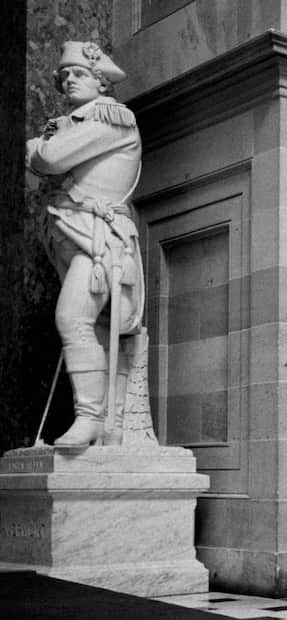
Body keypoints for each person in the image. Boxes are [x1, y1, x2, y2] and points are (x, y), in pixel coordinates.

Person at [26, 41, 144, 447]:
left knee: (72, 318)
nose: (69, 81)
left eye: (79, 73)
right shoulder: (73, 123)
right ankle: (104, 421)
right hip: (76, 234)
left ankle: (91, 418)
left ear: (102, 82)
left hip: (101, 241)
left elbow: (51, 159)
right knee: (88, 326)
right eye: (63, 76)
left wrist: (34, 148)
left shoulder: (113, 119)